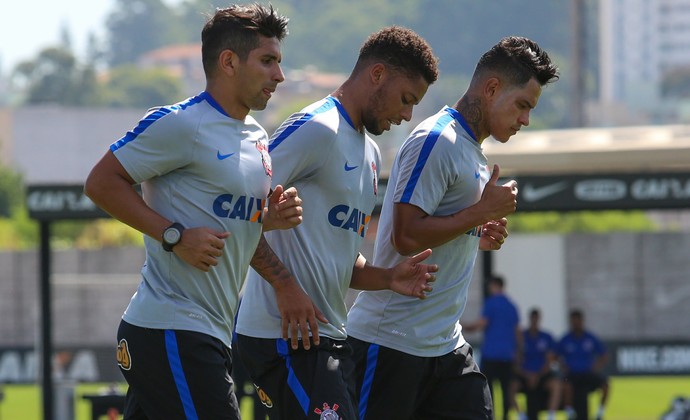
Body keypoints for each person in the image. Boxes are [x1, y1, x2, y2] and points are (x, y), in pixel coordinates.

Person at [83, 5, 301, 419]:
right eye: (268, 61)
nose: (279, 75)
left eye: (279, 62)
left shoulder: (257, 136)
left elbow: (232, 222)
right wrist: (175, 236)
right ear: (229, 62)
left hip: (205, 332)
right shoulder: (181, 123)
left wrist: (265, 217)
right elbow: (101, 182)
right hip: (172, 329)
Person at [346, 36, 560, 419]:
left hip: (446, 347)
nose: (526, 119)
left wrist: (475, 233)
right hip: (392, 342)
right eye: (522, 105)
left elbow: (438, 226)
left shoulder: (471, 151)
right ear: (491, 88)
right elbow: (405, 236)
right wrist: (477, 215)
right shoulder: (437, 140)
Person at [234, 26, 440, 419]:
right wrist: (284, 284)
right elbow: (236, 210)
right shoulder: (317, 127)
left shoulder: (371, 154)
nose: (407, 115)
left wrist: (387, 277)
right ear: (377, 74)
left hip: (328, 338)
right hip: (283, 336)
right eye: (406, 99)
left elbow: (340, 259)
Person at [464, 275, 521, 420]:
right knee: (505, 389)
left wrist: (462, 326)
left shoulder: (491, 303)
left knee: (488, 389)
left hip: (491, 354)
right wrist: (518, 352)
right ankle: (506, 416)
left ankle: (491, 417)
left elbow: (481, 324)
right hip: (507, 355)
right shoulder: (511, 306)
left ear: (495, 285)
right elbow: (517, 332)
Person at [558, 309, 610, 420]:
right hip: (571, 374)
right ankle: (570, 412)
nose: (575, 323)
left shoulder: (590, 338)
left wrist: (596, 367)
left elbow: (604, 355)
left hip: (587, 373)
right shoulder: (566, 339)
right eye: (573, 321)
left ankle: (600, 412)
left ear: (582, 321)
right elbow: (554, 356)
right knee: (565, 385)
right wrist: (563, 366)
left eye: (577, 320)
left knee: (605, 385)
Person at [513, 307, 562, 420]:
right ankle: (521, 416)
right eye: (532, 318)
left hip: (541, 375)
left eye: (536, 318)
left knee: (556, 385)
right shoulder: (521, 337)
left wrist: (538, 375)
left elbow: (550, 360)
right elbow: (516, 361)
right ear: (529, 319)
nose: (534, 321)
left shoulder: (546, 337)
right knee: (511, 386)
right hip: (525, 375)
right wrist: (527, 375)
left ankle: (551, 416)